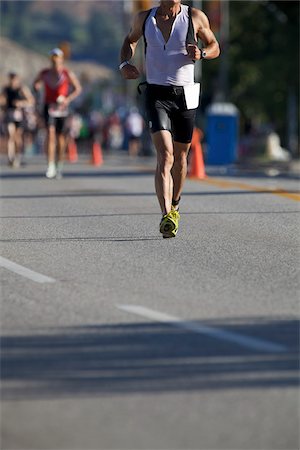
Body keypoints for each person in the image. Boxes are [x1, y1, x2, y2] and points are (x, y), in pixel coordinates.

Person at [120, 0, 219, 238]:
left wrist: (202, 53)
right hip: (156, 93)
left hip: (185, 95)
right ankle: (166, 215)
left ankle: (175, 205)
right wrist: (125, 63)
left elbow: (215, 45)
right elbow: (129, 40)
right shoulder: (144, 18)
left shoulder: (195, 16)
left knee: (181, 157)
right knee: (165, 154)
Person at [33, 48, 82, 179]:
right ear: (51, 60)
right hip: (48, 106)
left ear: (61, 60)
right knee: (50, 135)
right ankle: (50, 166)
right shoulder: (44, 73)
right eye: (53, 59)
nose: (55, 62)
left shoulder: (67, 73)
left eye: (57, 59)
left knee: (61, 139)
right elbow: (35, 83)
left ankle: (59, 164)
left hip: (62, 108)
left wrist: (67, 99)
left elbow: (78, 89)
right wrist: (37, 87)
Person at [0, 73, 34, 167]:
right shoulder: (6, 89)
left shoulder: (22, 89)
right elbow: (2, 99)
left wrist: (21, 103)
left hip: (19, 115)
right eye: (11, 80)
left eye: (14, 80)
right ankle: (10, 157)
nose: (13, 82)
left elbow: (31, 100)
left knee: (17, 137)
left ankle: (18, 156)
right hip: (9, 114)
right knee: (10, 135)